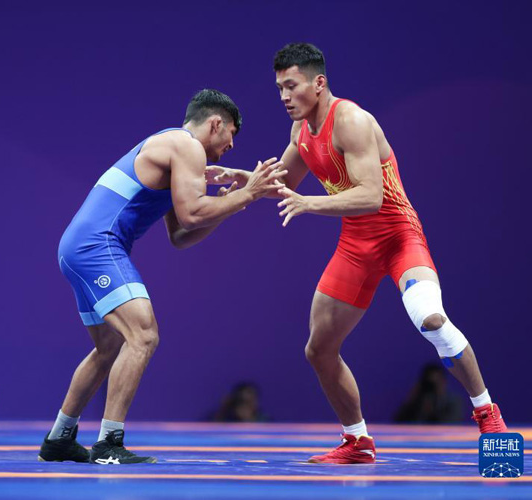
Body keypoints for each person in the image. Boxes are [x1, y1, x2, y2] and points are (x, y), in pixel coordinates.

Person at [208, 43, 506, 464]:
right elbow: (285, 182)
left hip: (399, 238)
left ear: (319, 83)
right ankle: (357, 442)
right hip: (356, 246)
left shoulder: (351, 121)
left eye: (291, 86)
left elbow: (370, 197)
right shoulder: (300, 132)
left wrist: (310, 204)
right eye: (279, 89)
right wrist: (246, 180)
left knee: (431, 320)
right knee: (319, 349)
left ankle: (487, 413)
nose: (284, 96)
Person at [38, 89, 286, 465]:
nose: (232, 145)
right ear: (215, 123)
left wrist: (232, 204)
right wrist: (247, 195)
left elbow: (180, 236)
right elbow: (193, 214)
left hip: (78, 247)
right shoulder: (187, 145)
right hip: (97, 245)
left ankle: (59, 438)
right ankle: (108, 444)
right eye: (231, 134)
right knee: (143, 335)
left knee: (109, 347)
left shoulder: (174, 151)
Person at [394, 363, 464, 424]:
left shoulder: (452, 401)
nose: (432, 387)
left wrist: (433, 412)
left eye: (436, 382)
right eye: (430, 384)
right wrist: (411, 401)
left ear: (443, 381)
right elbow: (398, 423)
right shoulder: (417, 398)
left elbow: (452, 425)